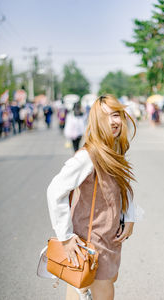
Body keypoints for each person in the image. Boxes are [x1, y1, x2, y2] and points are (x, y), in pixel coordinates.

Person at [46, 94, 138, 300]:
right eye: (106, 116)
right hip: (92, 241)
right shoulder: (89, 156)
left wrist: (130, 217)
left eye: (116, 114)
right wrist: (65, 237)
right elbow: (54, 191)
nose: (114, 121)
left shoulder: (113, 149)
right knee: (99, 289)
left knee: (80, 285)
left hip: (107, 238)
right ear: (96, 121)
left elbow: (122, 186)